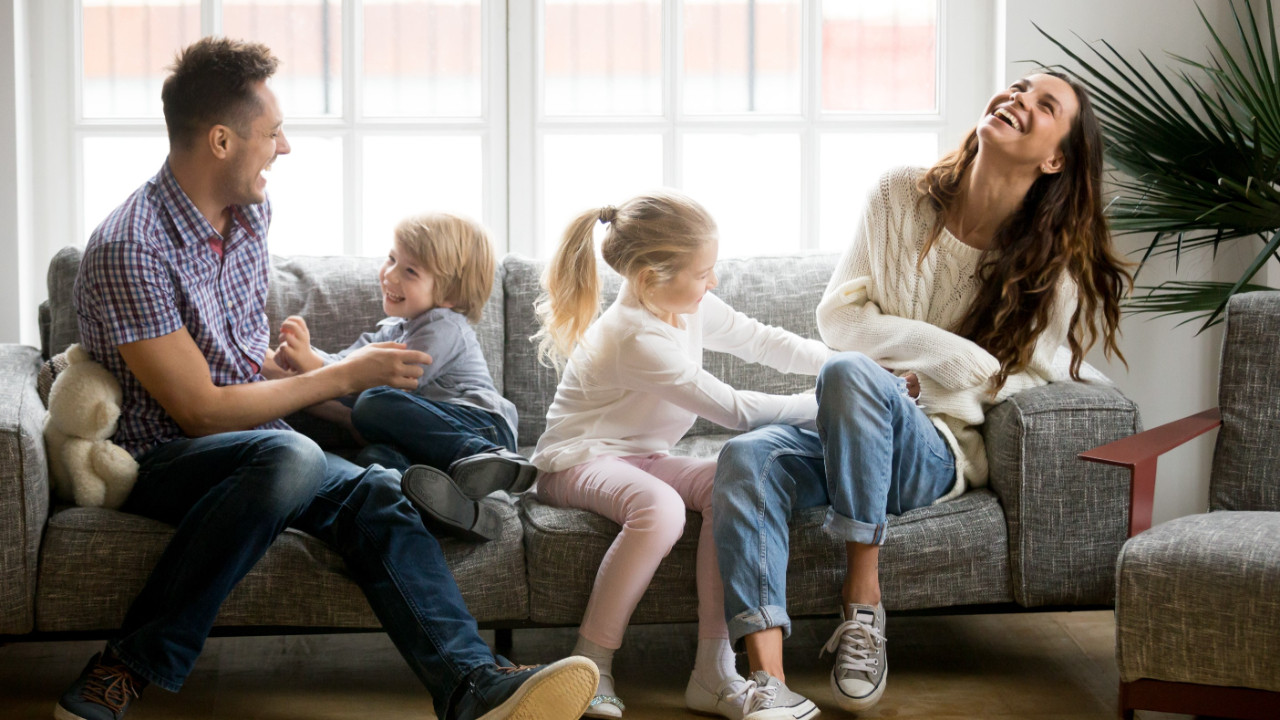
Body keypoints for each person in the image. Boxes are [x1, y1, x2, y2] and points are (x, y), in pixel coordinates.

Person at [54, 36, 596, 720]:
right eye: (272, 133)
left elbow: (233, 348)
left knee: (379, 494)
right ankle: (127, 662)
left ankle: (472, 685)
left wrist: (286, 365)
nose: (285, 148)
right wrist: (347, 374)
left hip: (262, 447)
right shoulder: (131, 246)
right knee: (290, 450)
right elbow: (196, 411)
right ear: (221, 140)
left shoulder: (247, 217)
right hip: (160, 457)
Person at [713, 71, 1130, 719]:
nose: (1019, 98)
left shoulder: (1055, 265)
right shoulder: (898, 195)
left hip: (933, 451)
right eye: (1019, 85)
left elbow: (1033, 373)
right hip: (850, 431)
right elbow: (840, 320)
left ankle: (863, 605)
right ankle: (768, 683)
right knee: (745, 457)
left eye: (1044, 104)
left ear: (1055, 159)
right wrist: (941, 351)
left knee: (851, 374)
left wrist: (923, 378)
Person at [529, 191, 834, 719]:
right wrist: (823, 404)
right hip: (574, 461)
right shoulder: (633, 337)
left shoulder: (684, 306)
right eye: (703, 272)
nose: (712, 282)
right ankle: (593, 663)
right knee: (662, 508)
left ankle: (714, 674)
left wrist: (844, 367)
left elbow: (762, 342)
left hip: (642, 456)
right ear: (650, 277)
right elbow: (735, 410)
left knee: (732, 485)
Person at [273, 212, 534, 542]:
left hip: (481, 428)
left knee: (373, 404)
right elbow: (344, 367)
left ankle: (488, 458)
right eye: (392, 258)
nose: (390, 275)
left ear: (450, 294)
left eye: (409, 271)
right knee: (375, 463)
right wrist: (304, 359)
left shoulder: (443, 326)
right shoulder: (390, 332)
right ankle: (461, 512)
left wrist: (309, 362)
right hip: (433, 450)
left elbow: (370, 384)